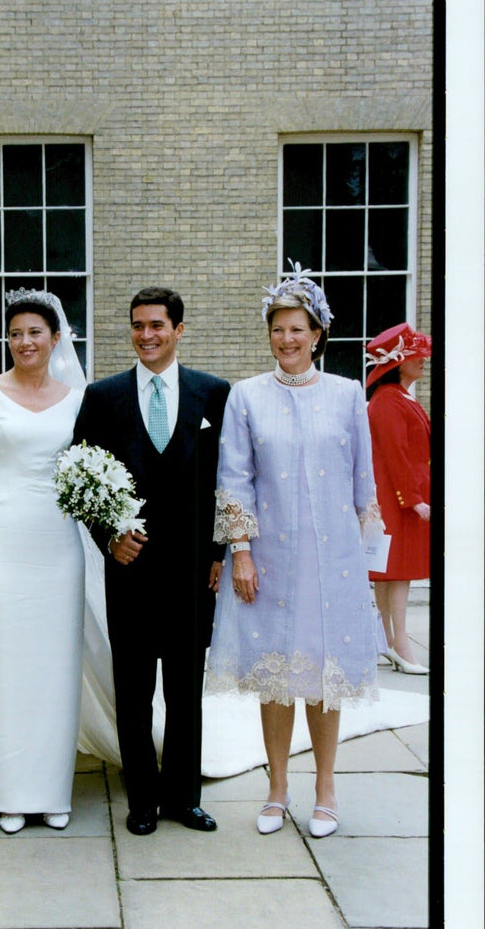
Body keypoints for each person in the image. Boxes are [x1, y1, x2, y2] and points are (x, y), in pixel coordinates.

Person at [207, 263, 381, 839]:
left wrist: (368, 559)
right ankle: (278, 787)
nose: (287, 340)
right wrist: (242, 552)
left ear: (318, 334)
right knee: (276, 673)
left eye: (297, 330)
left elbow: (363, 481)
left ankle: (325, 786)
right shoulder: (246, 397)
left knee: (324, 673)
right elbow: (235, 478)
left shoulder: (348, 394)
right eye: (278, 329)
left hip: (333, 563)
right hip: (271, 559)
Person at [73, 286, 230, 836]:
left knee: (186, 689)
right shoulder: (103, 397)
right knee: (134, 689)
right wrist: (107, 537)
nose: (146, 335)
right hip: (131, 570)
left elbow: (227, 482)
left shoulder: (214, 394)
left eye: (157, 325)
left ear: (179, 330)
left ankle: (183, 798)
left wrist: (221, 552)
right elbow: (79, 479)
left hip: (192, 572)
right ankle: (142, 799)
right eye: (138, 325)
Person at [0, 289, 86, 834]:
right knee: (2, 669)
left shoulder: (78, 397)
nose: (24, 342)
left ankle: (51, 790)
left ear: (55, 339)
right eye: (15, 333)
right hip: (0, 543)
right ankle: (5, 790)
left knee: (54, 669)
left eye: (35, 332)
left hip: (58, 546)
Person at [365, 323, 431, 675]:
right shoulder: (388, 400)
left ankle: (389, 641)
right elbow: (396, 455)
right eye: (414, 355)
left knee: (391, 574)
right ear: (397, 362)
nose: (423, 360)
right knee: (396, 573)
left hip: (402, 494)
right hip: (397, 497)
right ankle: (399, 643)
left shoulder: (399, 397)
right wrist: (413, 499)